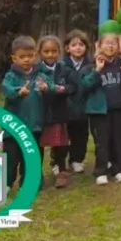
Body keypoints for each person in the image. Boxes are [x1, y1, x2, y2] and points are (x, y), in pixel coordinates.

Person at [81, 31, 121, 185]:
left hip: (119, 109)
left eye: (114, 43)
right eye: (107, 42)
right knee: (102, 142)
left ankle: (118, 169)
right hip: (100, 112)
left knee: (119, 140)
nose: (111, 46)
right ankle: (101, 171)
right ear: (99, 46)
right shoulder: (91, 66)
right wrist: (97, 70)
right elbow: (85, 85)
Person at [2, 35, 50, 189]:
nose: (26, 60)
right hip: (13, 126)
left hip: (34, 124)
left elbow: (50, 85)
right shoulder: (11, 76)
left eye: (30, 56)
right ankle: (7, 182)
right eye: (22, 57)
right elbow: (6, 89)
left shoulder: (41, 74)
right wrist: (18, 91)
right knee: (11, 156)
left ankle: (31, 180)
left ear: (35, 56)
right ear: (14, 58)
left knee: (33, 154)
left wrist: (46, 88)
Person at [37, 35, 77, 188]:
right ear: (40, 52)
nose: (50, 55)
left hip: (59, 113)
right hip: (41, 114)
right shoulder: (36, 70)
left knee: (60, 145)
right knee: (38, 145)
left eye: (54, 51)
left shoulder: (65, 69)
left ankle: (61, 171)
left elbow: (73, 87)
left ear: (59, 52)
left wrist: (63, 89)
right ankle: (36, 174)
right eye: (46, 51)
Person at [62, 29, 92, 173]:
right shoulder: (62, 65)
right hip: (66, 107)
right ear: (67, 48)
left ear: (86, 47)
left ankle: (77, 160)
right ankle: (58, 162)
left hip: (84, 107)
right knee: (62, 136)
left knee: (81, 136)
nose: (78, 47)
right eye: (74, 45)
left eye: (81, 44)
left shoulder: (91, 64)